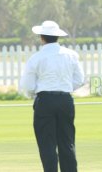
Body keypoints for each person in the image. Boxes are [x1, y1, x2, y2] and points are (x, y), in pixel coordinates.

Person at [20, 20, 84, 172]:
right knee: (67, 142)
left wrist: (38, 93)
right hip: (65, 100)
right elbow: (79, 80)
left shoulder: (36, 58)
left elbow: (28, 85)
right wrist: (65, 88)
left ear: (42, 37)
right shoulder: (71, 55)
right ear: (57, 37)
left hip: (45, 101)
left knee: (47, 144)